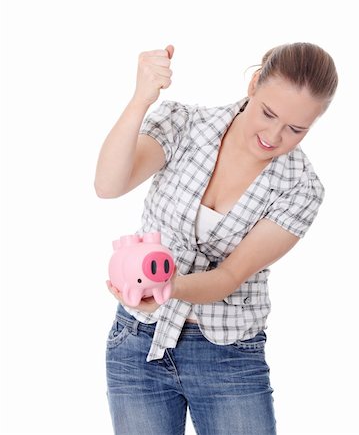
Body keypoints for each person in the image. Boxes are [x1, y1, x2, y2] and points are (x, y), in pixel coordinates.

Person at [94, 42, 338, 435]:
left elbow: (228, 277)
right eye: (268, 113)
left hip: (229, 355)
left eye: (296, 129)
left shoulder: (301, 189)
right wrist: (140, 100)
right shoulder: (184, 124)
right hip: (139, 339)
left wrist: (164, 287)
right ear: (255, 83)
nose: (274, 136)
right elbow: (108, 185)